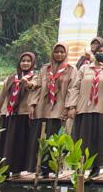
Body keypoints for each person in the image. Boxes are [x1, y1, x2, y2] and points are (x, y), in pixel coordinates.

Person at [70, 43, 103, 178]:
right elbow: (75, 87)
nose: (102, 53)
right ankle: (80, 165)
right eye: (100, 51)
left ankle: (96, 167)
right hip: (84, 107)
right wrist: (72, 106)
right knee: (82, 137)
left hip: (101, 109)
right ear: (95, 53)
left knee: (98, 139)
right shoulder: (85, 68)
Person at [33, 42, 77, 178]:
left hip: (59, 109)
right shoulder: (45, 69)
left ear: (66, 54)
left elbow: (73, 89)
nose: (59, 54)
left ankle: (55, 167)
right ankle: (42, 168)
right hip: (43, 108)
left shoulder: (71, 69)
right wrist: (32, 105)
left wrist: (70, 107)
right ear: (52, 53)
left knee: (57, 139)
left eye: (62, 52)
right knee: (42, 138)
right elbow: (38, 86)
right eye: (56, 52)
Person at [0, 52, 38, 177]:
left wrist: (27, 84)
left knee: (18, 143)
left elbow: (34, 88)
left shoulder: (35, 78)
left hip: (22, 116)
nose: (25, 63)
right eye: (23, 61)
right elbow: (2, 95)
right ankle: (2, 169)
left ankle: (16, 169)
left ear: (33, 63)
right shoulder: (11, 78)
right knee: (3, 142)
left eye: (28, 61)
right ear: (19, 62)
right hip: (7, 115)